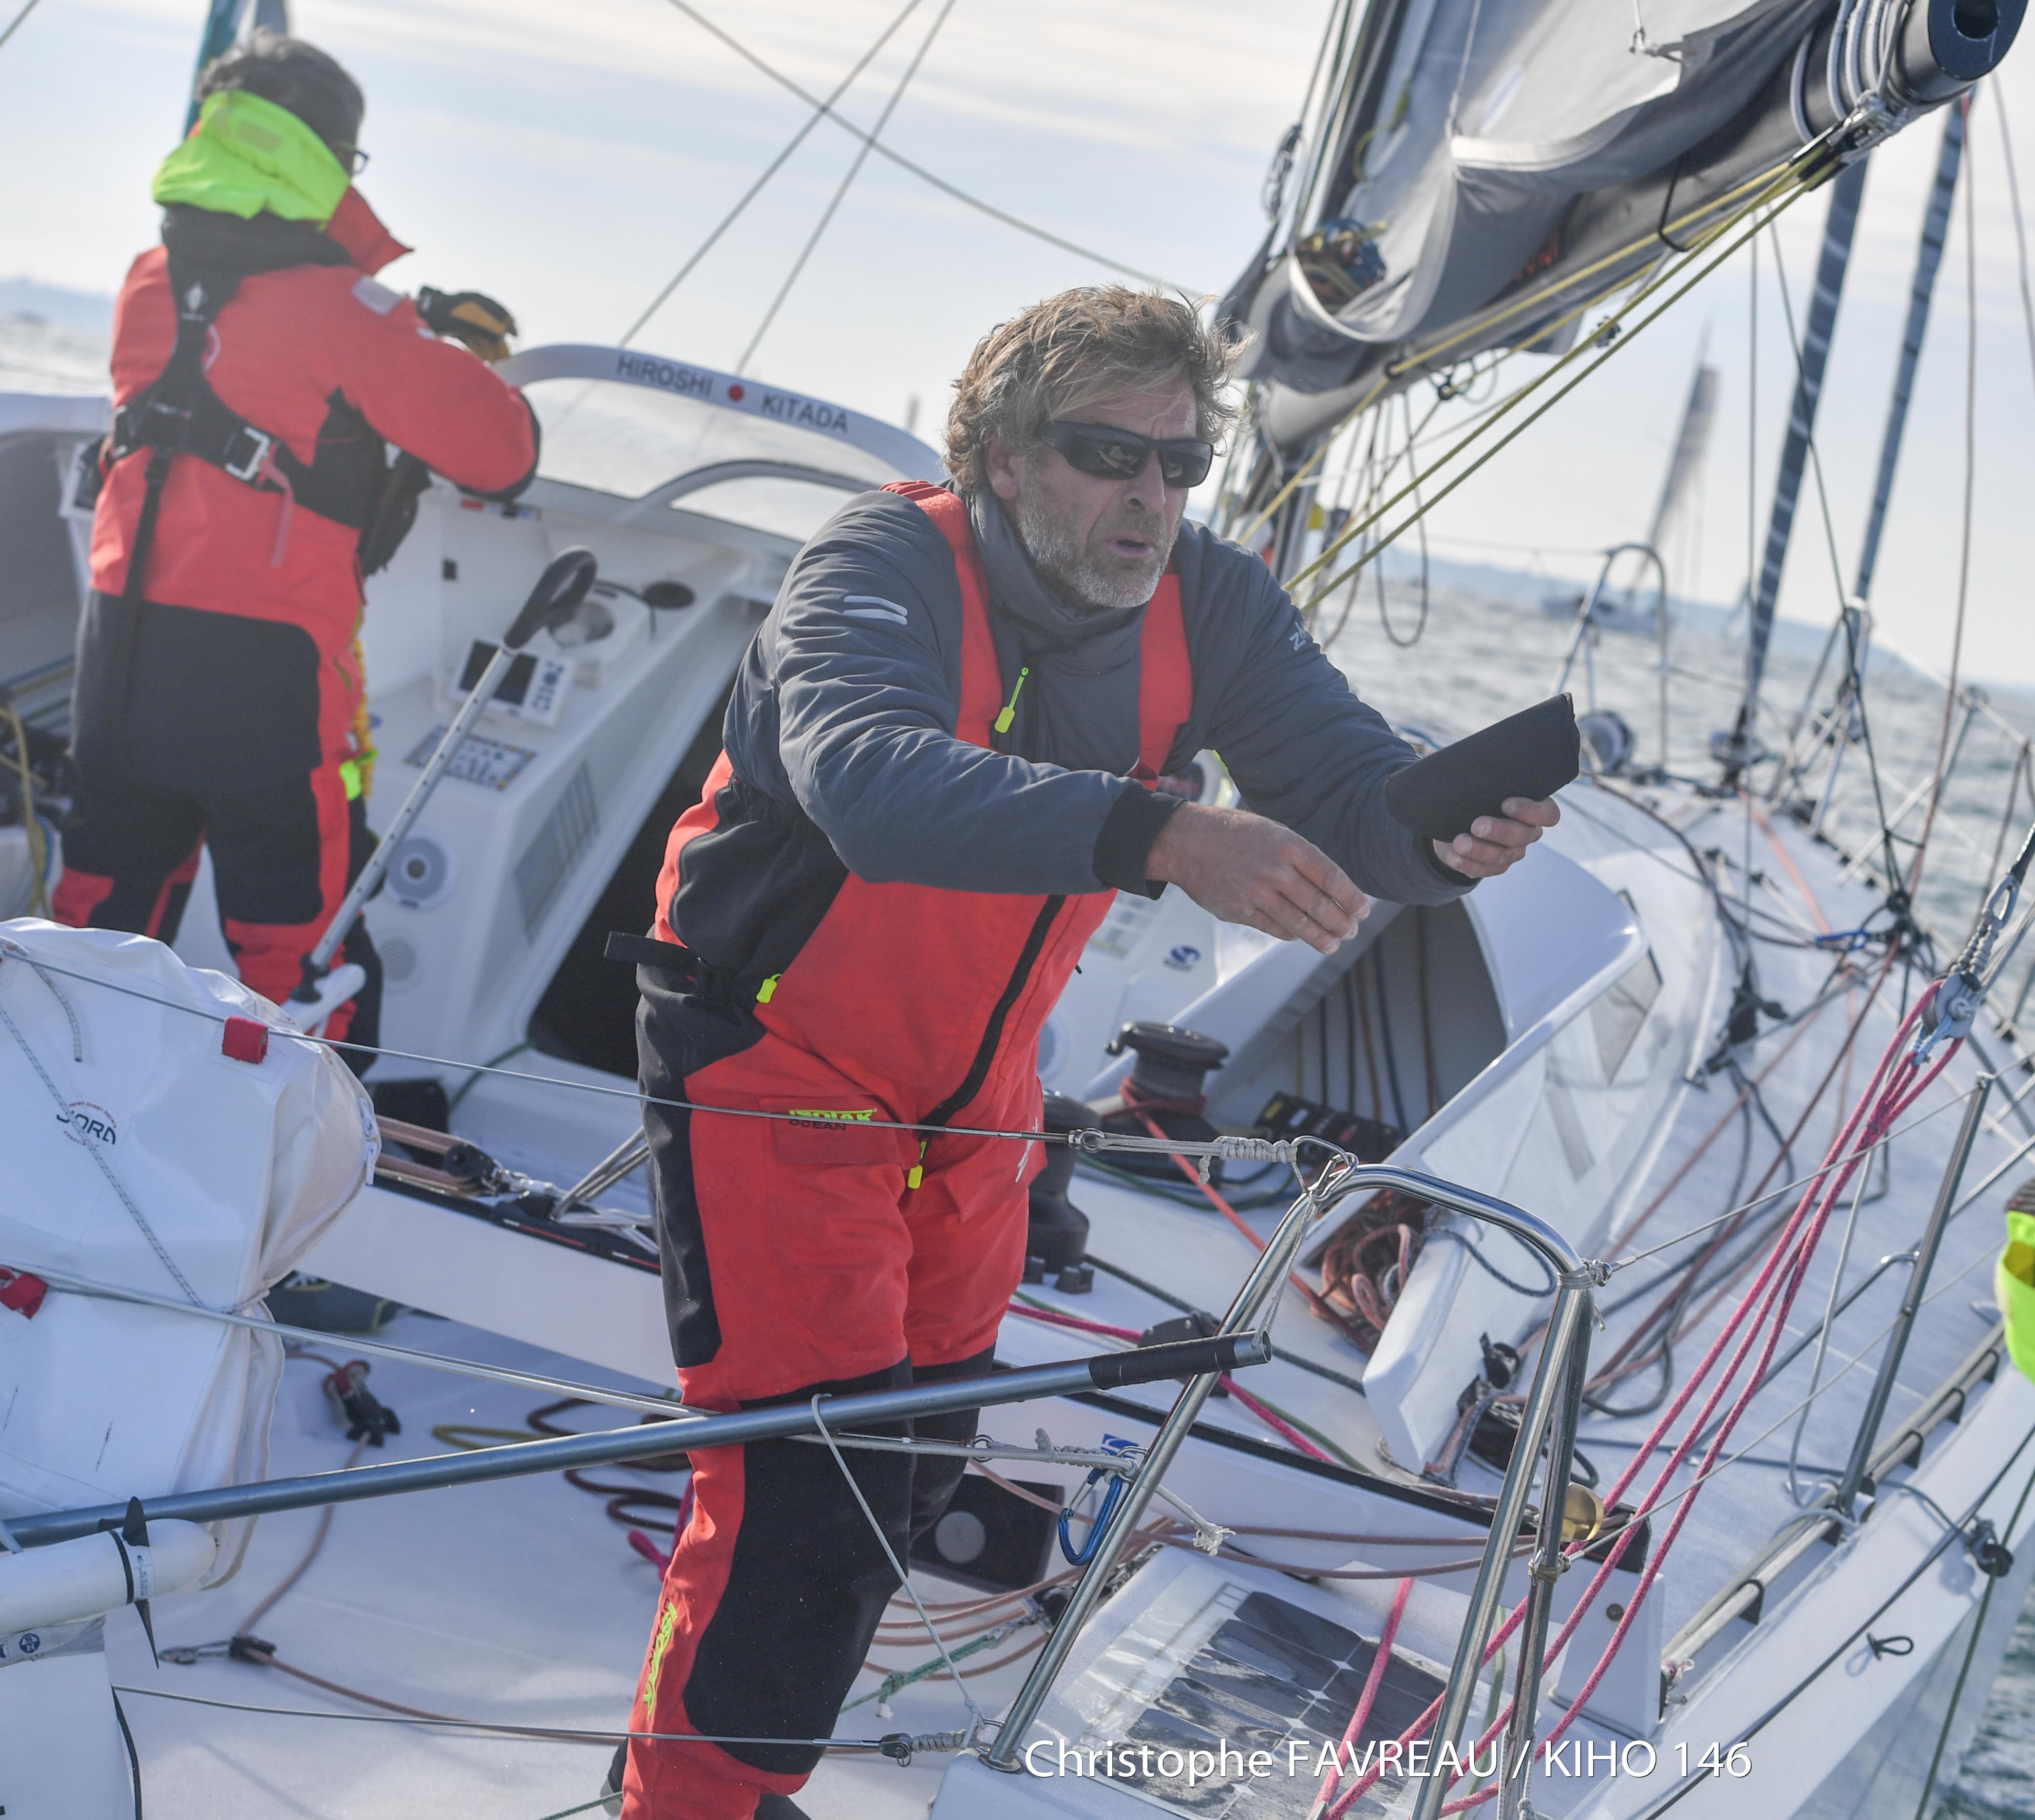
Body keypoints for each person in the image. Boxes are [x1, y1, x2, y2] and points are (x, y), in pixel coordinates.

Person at [610, 286, 1557, 1818]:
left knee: (921, 1458)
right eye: (1109, 455)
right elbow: (869, 783)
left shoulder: (1211, 600)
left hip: (971, 1096)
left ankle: (726, 1778)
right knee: (810, 1492)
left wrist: (1447, 835)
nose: (1151, 498)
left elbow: (1352, 789)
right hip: (775, 1057)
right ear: (999, 455)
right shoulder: (877, 563)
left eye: (1181, 465)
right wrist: (1165, 834)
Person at [53, 33, 539, 1051]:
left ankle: (54, 1101)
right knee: (303, 959)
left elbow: (253, 333)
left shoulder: (149, 278)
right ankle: (316, 1133)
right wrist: (419, 327)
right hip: (265, 681)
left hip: (118, 655)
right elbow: (503, 455)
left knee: (94, 929)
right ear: (328, 165)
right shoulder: (347, 310)